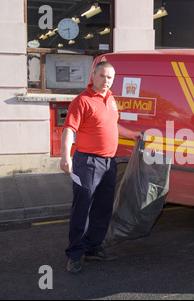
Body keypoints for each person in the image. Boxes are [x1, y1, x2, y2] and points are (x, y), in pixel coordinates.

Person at [60, 61, 142, 274]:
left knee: (103, 207)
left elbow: (111, 124)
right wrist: (65, 157)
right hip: (86, 162)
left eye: (110, 77)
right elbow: (69, 129)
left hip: (108, 162)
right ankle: (75, 254)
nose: (106, 81)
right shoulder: (82, 101)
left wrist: (131, 134)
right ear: (93, 75)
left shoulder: (111, 99)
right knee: (82, 208)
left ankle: (93, 247)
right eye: (103, 76)